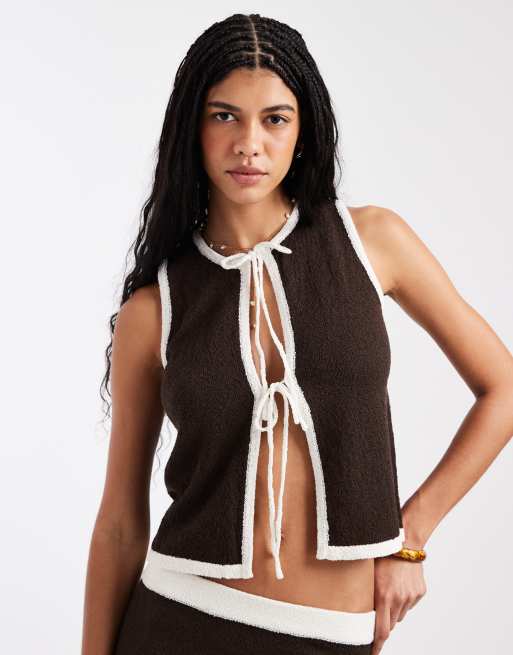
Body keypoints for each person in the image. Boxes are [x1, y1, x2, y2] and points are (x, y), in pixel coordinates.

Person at [81, 13, 513, 655]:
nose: (249, 144)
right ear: (192, 129)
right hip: (179, 620)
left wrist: (411, 536)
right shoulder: (155, 307)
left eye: (274, 119)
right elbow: (120, 521)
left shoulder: (373, 242)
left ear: (303, 131)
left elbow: (502, 388)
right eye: (224, 116)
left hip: (331, 635)